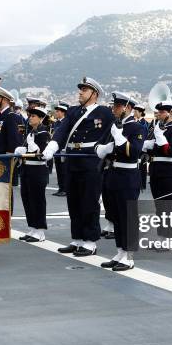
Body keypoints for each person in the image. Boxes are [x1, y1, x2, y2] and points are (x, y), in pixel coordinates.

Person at [42, 77, 115, 256]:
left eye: (84, 90)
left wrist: (106, 152)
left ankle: (90, 242)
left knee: (89, 202)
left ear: (94, 94)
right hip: (72, 160)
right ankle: (77, 239)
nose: (80, 92)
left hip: (90, 162)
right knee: (73, 202)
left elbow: (113, 133)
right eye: (80, 89)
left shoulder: (104, 112)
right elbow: (62, 130)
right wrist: (52, 147)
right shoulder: (74, 111)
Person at [96, 92, 144, 271]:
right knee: (116, 215)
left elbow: (134, 152)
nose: (113, 109)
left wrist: (119, 138)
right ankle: (120, 252)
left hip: (128, 177)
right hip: (112, 175)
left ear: (128, 108)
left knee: (127, 217)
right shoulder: (114, 125)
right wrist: (103, 148)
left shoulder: (136, 128)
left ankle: (129, 256)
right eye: (113, 105)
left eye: (117, 106)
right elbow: (98, 145)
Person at [143, 100, 172, 250]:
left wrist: (159, 138)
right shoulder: (159, 128)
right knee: (159, 206)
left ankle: (169, 239)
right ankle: (161, 237)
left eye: (162, 112)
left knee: (169, 206)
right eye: (158, 112)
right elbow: (153, 149)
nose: (159, 114)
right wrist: (148, 145)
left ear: (170, 113)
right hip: (156, 170)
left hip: (169, 172)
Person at [15, 106, 51, 242]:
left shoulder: (44, 133)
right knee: (27, 199)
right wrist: (22, 149)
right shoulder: (31, 132)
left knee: (37, 201)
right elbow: (27, 150)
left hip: (37, 170)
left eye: (34, 116)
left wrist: (31, 148)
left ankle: (40, 231)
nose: (30, 118)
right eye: (30, 116)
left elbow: (42, 154)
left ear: (41, 118)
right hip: (27, 169)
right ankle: (32, 228)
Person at [52, 101, 69, 196]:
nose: (56, 113)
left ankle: (65, 189)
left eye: (58, 111)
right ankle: (60, 188)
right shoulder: (56, 123)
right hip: (57, 150)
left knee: (63, 171)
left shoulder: (65, 123)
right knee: (59, 170)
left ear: (63, 112)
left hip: (63, 149)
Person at [134, 104, 150, 191]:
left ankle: (142, 184)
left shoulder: (144, 123)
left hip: (142, 148)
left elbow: (145, 136)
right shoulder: (136, 122)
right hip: (137, 147)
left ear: (140, 113)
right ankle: (138, 183)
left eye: (136, 111)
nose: (134, 113)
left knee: (142, 168)